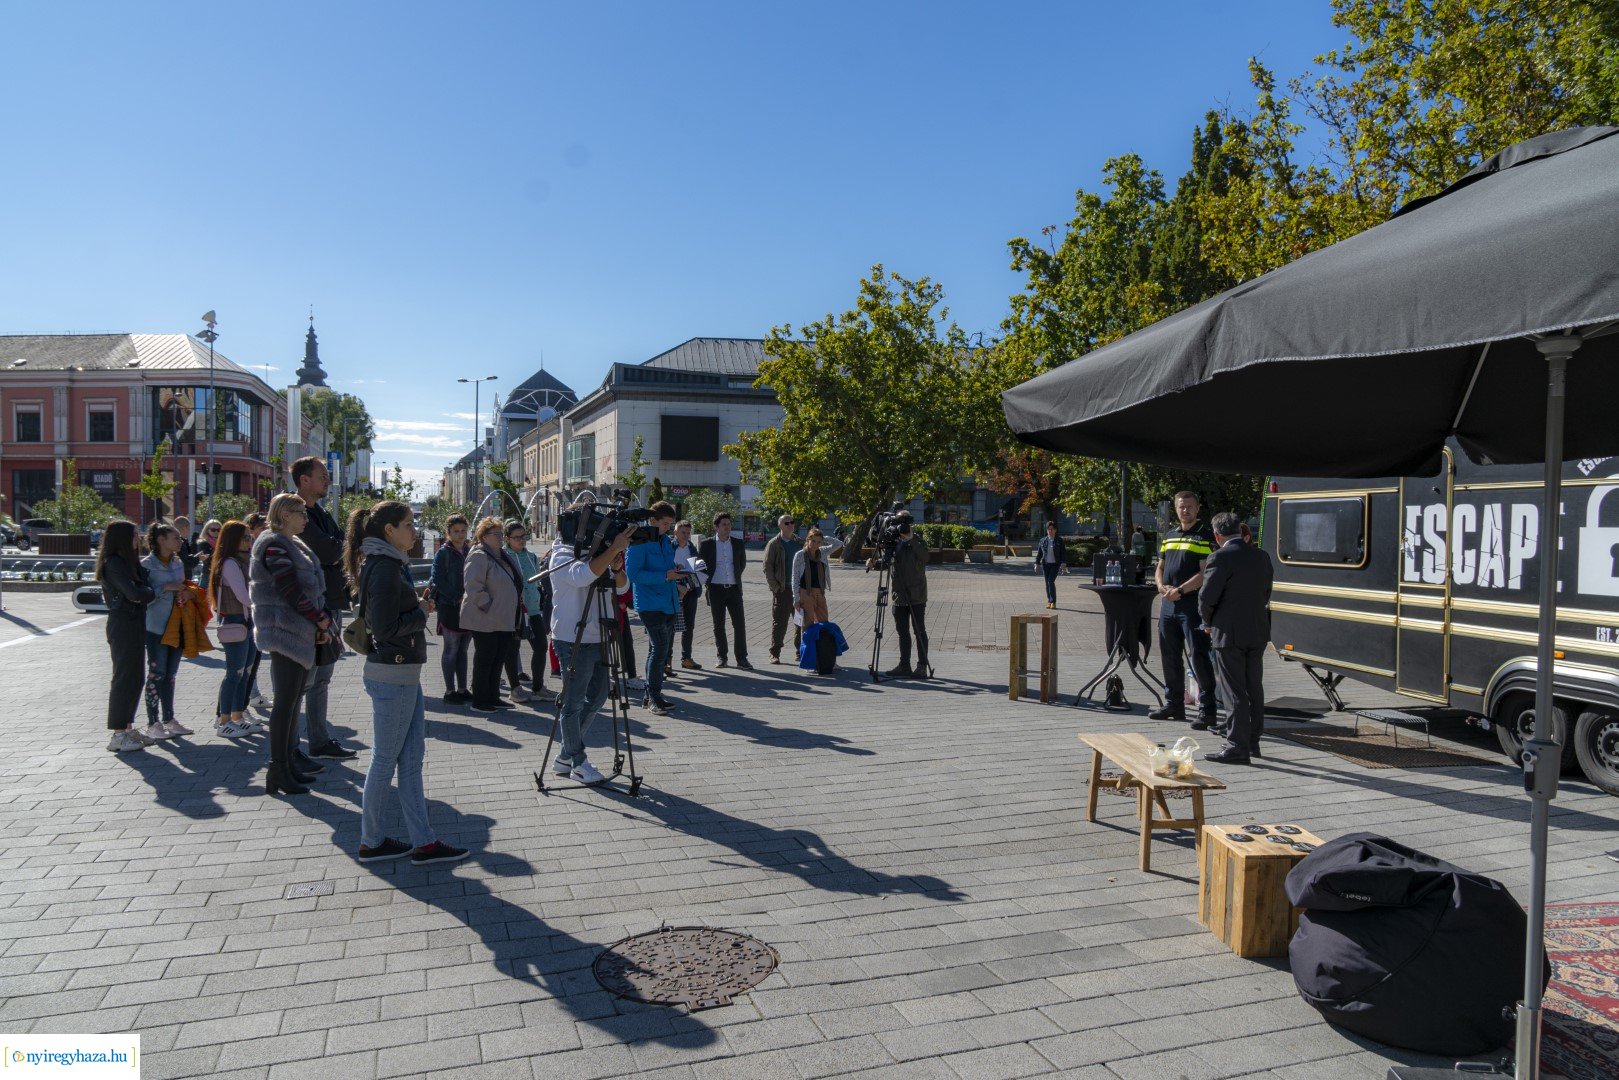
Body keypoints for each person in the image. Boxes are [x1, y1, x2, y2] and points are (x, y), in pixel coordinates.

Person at [346, 500, 469, 866]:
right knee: (385, 761)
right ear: (389, 531)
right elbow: (385, 629)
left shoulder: (387, 562)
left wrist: (415, 607)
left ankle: (423, 842)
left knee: (411, 760)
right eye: (409, 525)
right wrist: (421, 612)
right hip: (393, 674)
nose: (415, 532)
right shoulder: (384, 567)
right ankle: (371, 840)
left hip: (401, 674)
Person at [251, 493, 336, 795]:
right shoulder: (274, 543)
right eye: (301, 512)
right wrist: (319, 619)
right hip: (284, 632)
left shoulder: (291, 543)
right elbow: (289, 589)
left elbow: (308, 591)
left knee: (292, 701)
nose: (306, 518)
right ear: (285, 514)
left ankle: (287, 764)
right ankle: (278, 769)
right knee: (285, 704)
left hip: (299, 631)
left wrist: (319, 621)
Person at [546, 523, 633, 785]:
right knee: (572, 703)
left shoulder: (598, 553)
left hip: (600, 636)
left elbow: (622, 588)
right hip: (573, 638)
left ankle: (565, 755)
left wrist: (616, 567)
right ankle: (578, 762)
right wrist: (613, 549)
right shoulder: (561, 554)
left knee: (597, 697)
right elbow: (582, 576)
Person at [290, 456, 356, 759]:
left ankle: (318, 741)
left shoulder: (320, 512)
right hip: (312, 609)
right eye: (322, 476)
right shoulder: (296, 513)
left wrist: (341, 548)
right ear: (304, 479)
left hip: (331, 602)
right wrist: (341, 548)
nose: (328, 480)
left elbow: (340, 544)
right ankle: (291, 748)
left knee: (322, 678)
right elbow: (330, 550)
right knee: (305, 680)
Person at [1200, 511, 1275, 765]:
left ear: (1217, 535)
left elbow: (1207, 598)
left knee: (1233, 690)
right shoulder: (1261, 556)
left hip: (1228, 632)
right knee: (1254, 687)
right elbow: (1266, 591)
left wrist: (1208, 622)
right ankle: (1253, 741)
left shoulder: (1219, 557)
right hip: (1257, 630)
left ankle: (1236, 745)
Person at [1149, 490, 1218, 728]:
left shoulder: (1205, 536)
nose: (1185, 510)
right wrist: (1160, 586)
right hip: (1168, 603)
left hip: (1192, 604)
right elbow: (1160, 566)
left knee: (1199, 656)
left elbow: (1205, 572)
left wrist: (1181, 590)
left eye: (1189, 506)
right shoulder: (1169, 536)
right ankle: (1174, 704)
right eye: (1181, 506)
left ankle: (1207, 711)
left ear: (1198, 508)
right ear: (1175, 509)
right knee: (1169, 655)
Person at [98, 520, 160, 752]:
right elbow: (134, 593)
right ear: (122, 538)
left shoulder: (127, 562)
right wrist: (150, 592)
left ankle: (127, 726)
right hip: (123, 623)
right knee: (124, 677)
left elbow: (141, 590)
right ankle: (118, 733)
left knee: (135, 677)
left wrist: (146, 591)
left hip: (134, 622)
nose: (139, 539)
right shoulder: (113, 563)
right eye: (134, 535)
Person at [624, 501, 683, 716]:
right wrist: (665, 576)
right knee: (659, 649)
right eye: (665, 523)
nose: (668, 528)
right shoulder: (639, 541)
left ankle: (650, 696)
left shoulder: (665, 540)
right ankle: (654, 697)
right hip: (649, 604)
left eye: (670, 524)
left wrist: (676, 570)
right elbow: (633, 574)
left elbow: (666, 567)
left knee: (657, 650)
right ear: (652, 520)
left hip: (668, 602)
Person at [460, 516, 525, 713]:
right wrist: (488, 606)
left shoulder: (500, 554)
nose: (500, 537)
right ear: (483, 536)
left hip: (502, 617)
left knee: (498, 658)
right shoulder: (479, 555)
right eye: (495, 534)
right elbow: (473, 586)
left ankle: (493, 696)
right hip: (485, 618)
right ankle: (480, 701)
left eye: (500, 533)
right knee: (485, 659)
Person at [140, 522, 194, 740]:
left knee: (170, 675)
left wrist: (188, 592)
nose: (180, 541)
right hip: (156, 626)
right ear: (161, 540)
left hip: (177, 624)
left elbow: (185, 584)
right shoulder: (147, 565)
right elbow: (142, 595)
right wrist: (164, 588)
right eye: (176, 538)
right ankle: (153, 723)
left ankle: (169, 719)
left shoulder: (178, 562)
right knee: (156, 674)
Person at [208, 521, 261, 739]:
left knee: (245, 672)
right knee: (234, 673)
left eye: (250, 537)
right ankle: (224, 720)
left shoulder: (244, 561)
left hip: (247, 621)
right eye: (245, 538)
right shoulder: (230, 563)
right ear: (233, 540)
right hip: (235, 621)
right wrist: (264, 604)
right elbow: (243, 595)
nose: (249, 542)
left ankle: (237, 716)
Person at [503, 520, 553, 703]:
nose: (521, 540)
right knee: (512, 649)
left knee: (540, 646)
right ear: (508, 539)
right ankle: (515, 688)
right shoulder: (503, 557)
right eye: (516, 537)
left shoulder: (531, 557)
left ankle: (538, 687)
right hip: (514, 611)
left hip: (533, 610)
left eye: (523, 536)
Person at [429, 513, 472, 703]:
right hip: (450, 606)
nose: (460, 534)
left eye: (463, 530)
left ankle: (462, 689)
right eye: (456, 531)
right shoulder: (443, 553)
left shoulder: (470, 550)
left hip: (468, 607)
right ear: (448, 532)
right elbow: (437, 579)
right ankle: (449, 691)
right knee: (451, 649)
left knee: (463, 650)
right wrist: (456, 597)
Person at [699, 512, 750, 669]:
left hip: (734, 589)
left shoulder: (738, 543)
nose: (727, 527)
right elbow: (700, 566)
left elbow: (741, 564)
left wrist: (733, 578)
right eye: (723, 524)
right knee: (719, 625)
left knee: (739, 624)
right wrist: (707, 582)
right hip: (715, 589)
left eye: (728, 524)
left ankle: (742, 658)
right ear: (716, 527)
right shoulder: (707, 544)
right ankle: (722, 657)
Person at [886, 513, 931, 679]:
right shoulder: (893, 541)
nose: (903, 528)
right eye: (900, 524)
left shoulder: (917, 540)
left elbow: (925, 557)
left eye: (906, 524)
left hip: (916, 594)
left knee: (919, 631)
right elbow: (887, 561)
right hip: (899, 594)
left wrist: (911, 540)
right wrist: (873, 562)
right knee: (902, 632)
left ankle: (922, 666)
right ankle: (904, 665)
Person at [762, 514, 803, 664]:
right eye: (786, 523)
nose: (790, 525)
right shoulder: (774, 543)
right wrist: (775, 587)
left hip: (799, 590)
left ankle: (800, 652)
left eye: (792, 522)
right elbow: (767, 566)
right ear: (780, 525)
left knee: (800, 622)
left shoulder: (800, 542)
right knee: (779, 623)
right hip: (783, 589)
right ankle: (774, 653)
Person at [241, 513, 270, 713]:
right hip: (246, 613)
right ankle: (240, 705)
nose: (266, 531)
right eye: (262, 528)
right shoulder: (245, 556)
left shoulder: (262, 551)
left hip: (258, 611)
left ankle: (251, 696)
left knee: (254, 659)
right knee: (244, 664)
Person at [670, 519, 703, 672]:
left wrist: (692, 586)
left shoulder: (692, 548)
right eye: (683, 532)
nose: (686, 535)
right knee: (671, 625)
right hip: (672, 589)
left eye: (688, 533)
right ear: (675, 532)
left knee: (689, 625)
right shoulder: (669, 547)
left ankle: (686, 658)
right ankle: (667, 661)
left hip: (690, 590)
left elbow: (700, 570)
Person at [790, 527, 832, 629]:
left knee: (824, 623)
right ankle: (807, 640)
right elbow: (795, 578)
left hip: (820, 592)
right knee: (807, 624)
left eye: (819, 542)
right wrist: (796, 598)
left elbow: (839, 544)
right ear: (808, 540)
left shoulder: (822, 552)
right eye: (813, 541)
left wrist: (824, 538)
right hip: (806, 593)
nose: (815, 544)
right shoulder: (800, 555)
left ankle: (820, 640)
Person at [1034, 521, 1068, 609]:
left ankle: (1053, 602)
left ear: (1055, 530)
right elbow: (1039, 553)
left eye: (1052, 529)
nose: (1050, 531)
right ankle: (1049, 601)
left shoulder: (1059, 540)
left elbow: (1063, 553)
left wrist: (1063, 563)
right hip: (1046, 564)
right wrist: (1036, 564)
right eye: (1049, 529)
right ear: (1047, 530)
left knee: (1050, 581)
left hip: (1055, 564)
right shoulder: (1043, 540)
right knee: (1047, 583)